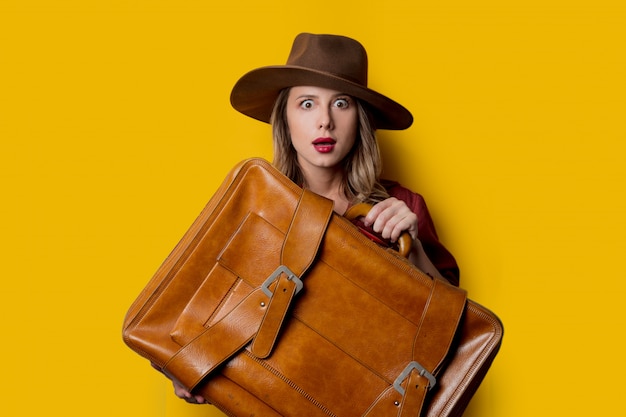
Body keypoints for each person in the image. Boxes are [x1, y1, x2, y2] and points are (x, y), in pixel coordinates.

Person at [171, 32, 459, 405]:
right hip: (270, 401)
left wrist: (414, 249)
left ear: (361, 119)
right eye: (306, 104)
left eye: (341, 103)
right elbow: (203, 303)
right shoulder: (257, 206)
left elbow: (457, 329)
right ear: (285, 120)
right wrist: (183, 363)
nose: (324, 121)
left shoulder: (402, 206)